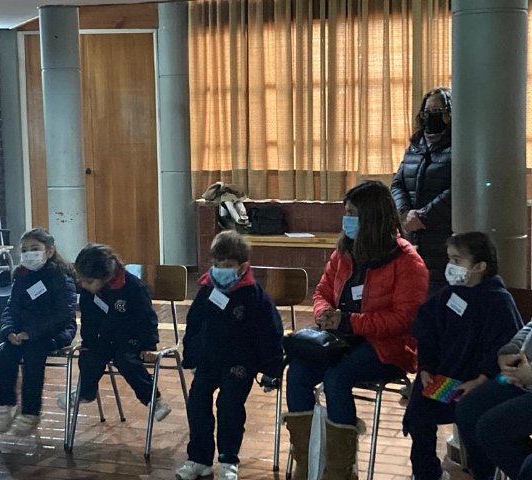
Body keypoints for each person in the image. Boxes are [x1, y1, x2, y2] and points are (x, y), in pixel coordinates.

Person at [284, 180, 429, 480]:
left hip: (387, 348)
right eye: (346, 212)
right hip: (340, 339)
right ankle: (308, 461)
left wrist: (349, 321)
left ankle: (341, 470)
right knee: (297, 372)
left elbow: (403, 319)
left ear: (372, 217)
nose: (346, 219)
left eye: (352, 213)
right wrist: (324, 313)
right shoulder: (344, 252)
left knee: (337, 378)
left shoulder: (407, 261)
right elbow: (322, 292)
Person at [402, 232, 522, 480]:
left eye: (457, 260)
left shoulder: (497, 300)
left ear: (480, 266)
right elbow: (428, 332)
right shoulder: (449, 295)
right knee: (418, 410)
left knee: (474, 416)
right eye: (449, 259)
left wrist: (482, 379)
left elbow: (505, 347)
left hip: (482, 382)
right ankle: (427, 472)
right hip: (448, 380)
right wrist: (425, 368)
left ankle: (480, 474)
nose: (451, 266)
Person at [175, 230, 284, 480]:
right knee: (197, 402)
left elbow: (270, 332)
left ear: (242, 266)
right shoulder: (207, 289)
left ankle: (228, 459)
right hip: (209, 359)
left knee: (229, 406)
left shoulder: (254, 295)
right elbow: (194, 324)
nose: (220, 270)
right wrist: (191, 356)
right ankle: (199, 459)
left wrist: (271, 369)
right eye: (216, 264)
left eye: (227, 266)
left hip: (240, 362)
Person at [57, 243, 172, 423]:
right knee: (89, 357)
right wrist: (88, 342)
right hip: (105, 338)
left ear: (105, 276)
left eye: (89, 281)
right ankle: (86, 393)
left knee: (126, 361)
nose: (83, 285)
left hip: (131, 338)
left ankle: (153, 400)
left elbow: (147, 318)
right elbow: (88, 320)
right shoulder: (88, 292)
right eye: (81, 280)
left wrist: (149, 345)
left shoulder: (133, 287)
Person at [0, 228, 78, 436]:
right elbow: (11, 308)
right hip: (23, 332)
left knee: (33, 354)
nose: (29, 254)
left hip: (55, 331)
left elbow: (63, 315)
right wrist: (9, 331)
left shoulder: (61, 277)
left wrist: (31, 333)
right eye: (24, 250)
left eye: (35, 249)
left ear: (49, 251)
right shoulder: (22, 276)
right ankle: (5, 404)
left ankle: (31, 412)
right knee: (3, 352)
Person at [391, 87, 452, 294]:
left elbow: (459, 190)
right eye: (427, 111)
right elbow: (397, 183)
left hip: (442, 237)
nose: (430, 116)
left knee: (437, 295)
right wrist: (404, 212)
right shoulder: (415, 147)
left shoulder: (459, 145)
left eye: (437, 110)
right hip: (412, 235)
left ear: (449, 114)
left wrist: (424, 216)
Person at [456, 318, 532, 480]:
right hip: (520, 375)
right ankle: (485, 475)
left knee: (491, 429)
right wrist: (509, 351)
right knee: (468, 409)